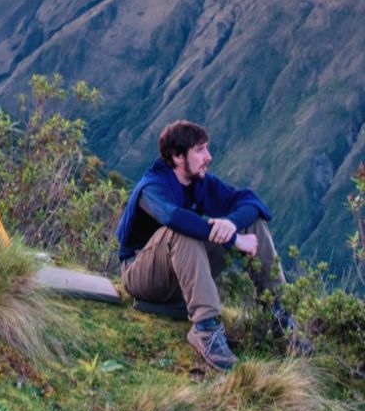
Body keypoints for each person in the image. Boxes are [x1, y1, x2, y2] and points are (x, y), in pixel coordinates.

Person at [115, 120, 310, 371]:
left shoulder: (199, 182)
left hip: (181, 274)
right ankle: (206, 331)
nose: (209, 156)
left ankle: (281, 321)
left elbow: (252, 201)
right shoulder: (152, 187)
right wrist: (233, 239)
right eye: (200, 150)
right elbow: (174, 218)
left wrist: (231, 223)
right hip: (142, 277)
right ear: (177, 156)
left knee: (252, 224)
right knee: (182, 230)